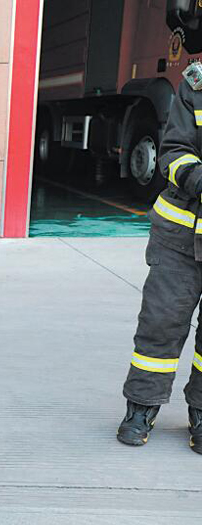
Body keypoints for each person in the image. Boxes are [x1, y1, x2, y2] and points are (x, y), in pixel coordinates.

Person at [118, 64, 202, 455]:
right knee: (160, 323)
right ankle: (141, 408)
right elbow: (175, 152)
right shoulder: (196, 86)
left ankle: (200, 413)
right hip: (179, 237)